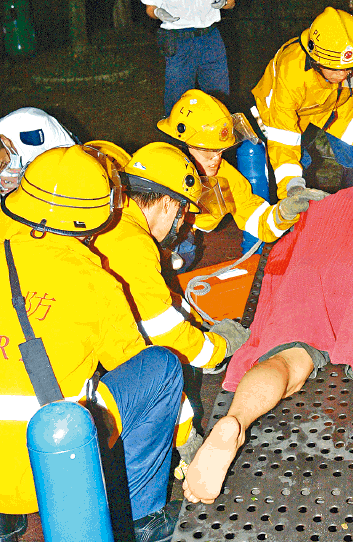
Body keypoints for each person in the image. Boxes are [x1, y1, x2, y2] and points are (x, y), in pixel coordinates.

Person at [181, 169, 353, 504]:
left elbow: (283, 253)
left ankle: (234, 423)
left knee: (287, 359)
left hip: (311, 275)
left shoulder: (322, 209)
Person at [0, 145, 183, 542]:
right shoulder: (96, 281)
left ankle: (5, 519)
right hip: (55, 468)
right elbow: (134, 361)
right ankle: (139, 517)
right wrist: (187, 436)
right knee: (162, 368)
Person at [91, 141, 251, 468]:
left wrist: (193, 320)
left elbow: (150, 305)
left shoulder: (113, 222)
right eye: (183, 214)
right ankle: (144, 511)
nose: (181, 227)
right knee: (161, 375)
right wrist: (218, 347)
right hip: (74, 379)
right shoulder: (134, 245)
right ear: (166, 203)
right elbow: (161, 345)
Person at [157, 89, 329, 270]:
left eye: (221, 150)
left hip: (180, 240)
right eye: (207, 150)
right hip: (143, 237)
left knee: (185, 251)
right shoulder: (153, 166)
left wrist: (284, 212)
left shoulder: (227, 180)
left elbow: (260, 222)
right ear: (182, 144)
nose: (216, 159)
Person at [251, 7, 353, 196]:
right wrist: (292, 186)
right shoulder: (292, 73)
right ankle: (299, 217)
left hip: (333, 106)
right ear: (315, 60)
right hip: (280, 111)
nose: (345, 74)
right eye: (336, 69)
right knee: (296, 168)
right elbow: (283, 140)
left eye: (350, 68)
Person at [143, 0, 235, 116]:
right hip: (179, 41)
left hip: (210, 38)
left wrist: (224, 2)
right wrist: (157, 12)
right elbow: (150, 8)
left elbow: (231, 3)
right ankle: (178, 132)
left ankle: (217, 131)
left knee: (219, 99)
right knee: (178, 100)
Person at [0, 107, 75, 195]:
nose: (1, 169)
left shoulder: (32, 124)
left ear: (4, 140)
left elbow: (72, 157)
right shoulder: (4, 162)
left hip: (60, 158)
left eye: (2, 164)